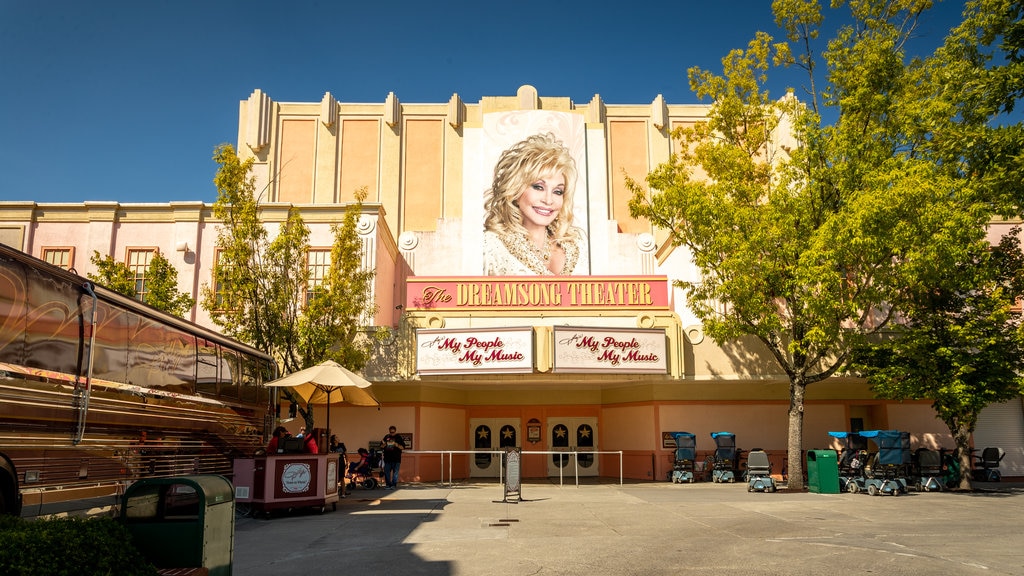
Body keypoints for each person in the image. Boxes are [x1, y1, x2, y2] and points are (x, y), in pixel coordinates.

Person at [483, 132, 587, 275]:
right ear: (515, 190)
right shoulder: (491, 246)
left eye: (558, 191)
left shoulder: (578, 245)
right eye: (538, 187)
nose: (548, 200)